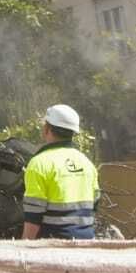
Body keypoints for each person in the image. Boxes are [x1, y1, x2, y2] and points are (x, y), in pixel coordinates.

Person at [22, 103, 100, 240]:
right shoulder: (87, 163)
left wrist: (22, 249)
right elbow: (95, 203)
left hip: (53, 246)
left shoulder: (39, 163)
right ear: (73, 133)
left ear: (46, 129)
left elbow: (33, 217)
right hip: (87, 243)